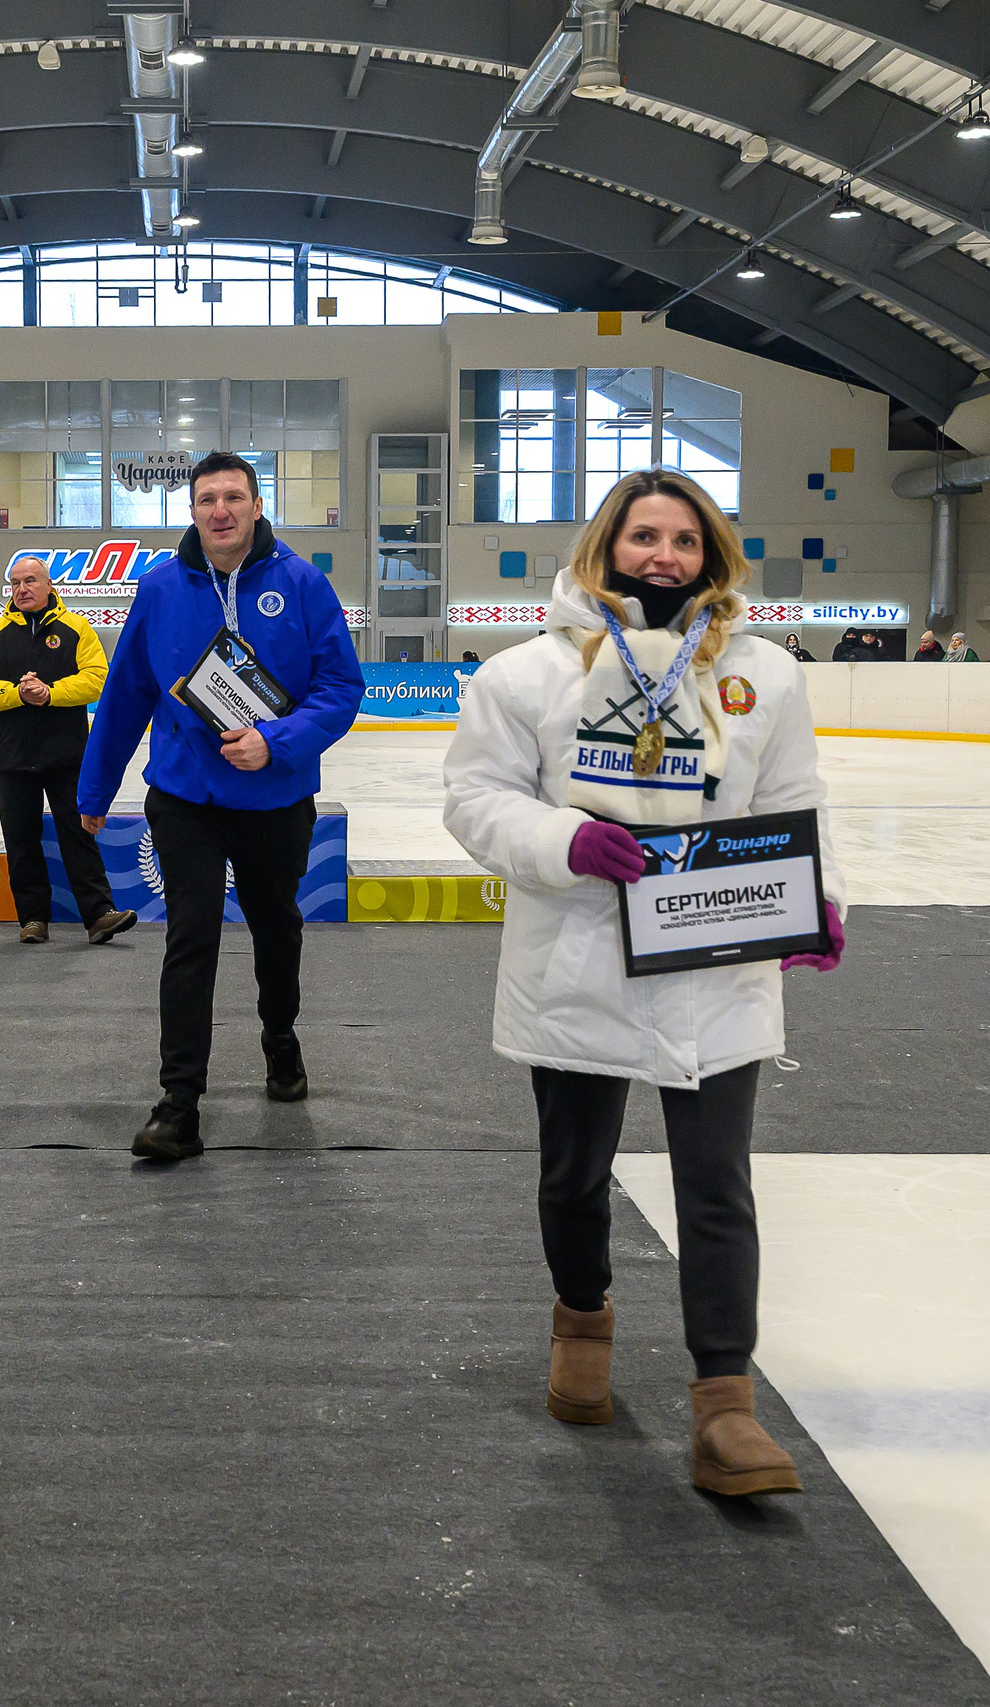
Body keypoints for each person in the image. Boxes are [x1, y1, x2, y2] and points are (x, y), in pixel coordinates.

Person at [442, 467, 843, 1500]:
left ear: (709, 554)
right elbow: (475, 800)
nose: (662, 556)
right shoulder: (525, 675)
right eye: (641, 537)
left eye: (681, 540)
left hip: (717, 955)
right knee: (574, 1176)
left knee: (717, 1186)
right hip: (579, 958)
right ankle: (582, 1324)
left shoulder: (765, 674)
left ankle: (725, 1405)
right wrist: (565, 839)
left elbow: (796, 796)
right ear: (604, 548)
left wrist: (817, 898)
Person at [76, 450, 366, 1163]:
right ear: (193, 510)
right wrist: (94, 790)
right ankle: (179, 1103)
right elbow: (124, 695)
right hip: (185, 799)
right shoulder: (160, 588)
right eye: (207, 499)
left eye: (234, 496)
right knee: (191, 937)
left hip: (275, 798)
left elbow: (341, 686)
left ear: (258, 504)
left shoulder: (302, 584)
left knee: (277, 929)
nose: (221, 510)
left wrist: (277, 742)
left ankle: (280, 1036)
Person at [0, 553, 136, 947]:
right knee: (21, 840)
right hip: (11, 757)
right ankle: (32, 919)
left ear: (48, 586)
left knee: (78, 835)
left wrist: (51, 693)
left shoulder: (76, 628)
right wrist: (18, 693)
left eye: (29, 581)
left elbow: (97, 679)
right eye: (15, 583)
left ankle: (98, 915)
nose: (22, 589)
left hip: (66, 755)